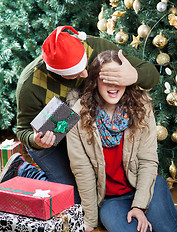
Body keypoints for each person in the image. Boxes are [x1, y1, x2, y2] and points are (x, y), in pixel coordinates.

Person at [1, 26, 159, 204]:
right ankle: (22, 170)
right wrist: (36, 140)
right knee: (73, 199)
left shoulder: (97, 48)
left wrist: (135, 74)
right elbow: (22, 130)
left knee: (96, 191)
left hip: (84, 133)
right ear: (56, 72)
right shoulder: (30, 85)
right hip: (52, 141)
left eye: (85, 66)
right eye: (76, 74)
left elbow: (152, 75)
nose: (85, 74)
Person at [66, 50, 177, 232]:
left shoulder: (142, 107)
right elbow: (82, 171)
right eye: (106, 78)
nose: (113, 85)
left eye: (117, 77)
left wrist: (139, 206)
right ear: (95, 81)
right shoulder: (77, 116)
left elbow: (148, 161)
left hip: (146, 184)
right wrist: (90, 220)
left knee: (166, 228)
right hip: (112, 199)